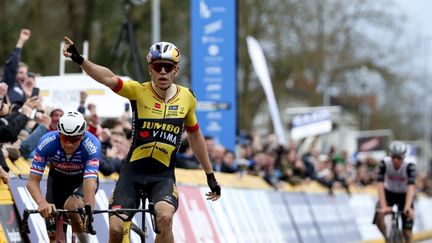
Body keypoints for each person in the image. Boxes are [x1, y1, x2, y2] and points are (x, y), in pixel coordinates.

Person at [63, 37, 221, 243]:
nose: (162, 71)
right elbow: (108, 78)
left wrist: (209, 174)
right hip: (132, 173)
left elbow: (195, 135)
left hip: (162, 176)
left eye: (167, 67)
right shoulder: (138, 91)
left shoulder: (187, 97)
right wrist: (81, 60)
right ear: (150, 70)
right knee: (117, 229)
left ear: (176, 70)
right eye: (158, 67)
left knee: (165, 218)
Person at [26, 111, 100, 243]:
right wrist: (42, 202)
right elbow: (32, 181)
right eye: (64, 138)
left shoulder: (92, 144)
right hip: (57, 182)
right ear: (58, 134)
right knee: (53, 235)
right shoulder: (46, 142)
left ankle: (85, 241)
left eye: (74, 139)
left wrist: (89, 210)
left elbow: (90, 181)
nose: (69, 144)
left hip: (81, 181)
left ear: (82, 135)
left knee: (72, 207)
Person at [373, 140, 416, 243]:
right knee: (378, 215)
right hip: (389, 193)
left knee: (407, 231)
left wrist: (407, 207)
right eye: (393, 157)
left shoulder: (410, 165)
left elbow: (411, 186)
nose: (396, 160)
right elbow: (380, 184)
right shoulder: (384, 163)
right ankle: (387, 239)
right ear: (390, 156)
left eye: (399, 158)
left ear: (404, 157)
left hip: (404, 195)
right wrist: (383, 207)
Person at [1, 29, 35, 110]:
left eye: (25, 73)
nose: (24, 75)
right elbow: (13, 64)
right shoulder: (9, 83)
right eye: (20, 72)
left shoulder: (24, 89)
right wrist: (21, 41)